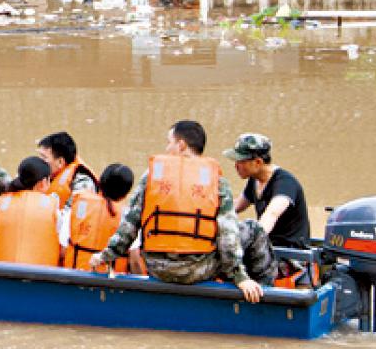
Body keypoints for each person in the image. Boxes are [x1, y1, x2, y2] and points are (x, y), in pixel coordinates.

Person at [88, 121, 278, 303]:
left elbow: (130, 224)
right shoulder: (217, 181)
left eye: (169, 142)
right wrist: (239, 276)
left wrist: (106, 255)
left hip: (157, 268)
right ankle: (264, 293)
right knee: (253, 228)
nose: (167, 148)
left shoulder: (152, 175)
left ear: (181, 145)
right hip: (198, 270)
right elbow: (228, 235)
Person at [226, 133, 310, 250]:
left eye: (241, 161)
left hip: (290, 251)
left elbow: (271, 214)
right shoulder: (254, 180)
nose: (236, 166)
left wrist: (251, 239)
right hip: (268, 247)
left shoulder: (285, 183)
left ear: (258, 162)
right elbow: (235, 206)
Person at [0, 157, 64, 267]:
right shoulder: (53, 207)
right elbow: (62, 247)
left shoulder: (3, 204)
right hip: (39, 274)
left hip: (2, 272)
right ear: (43, 182)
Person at [63, 163, 134, 273]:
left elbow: (63, 250)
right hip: (111, 280)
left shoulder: (77, 205)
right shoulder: (127, 217)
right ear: (125, 194)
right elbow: (135, 259)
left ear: (100, 181)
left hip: (75, 276)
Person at [37, 131, 97, 209]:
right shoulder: (39, 177)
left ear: (60, 162)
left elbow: (78, 213)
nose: (39, 161)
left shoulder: (82, 183)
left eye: (44, 157)